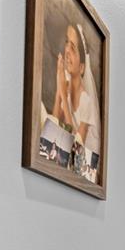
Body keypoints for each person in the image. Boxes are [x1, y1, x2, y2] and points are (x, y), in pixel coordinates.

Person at [51, 23, 100, 177]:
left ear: (82, 68)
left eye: (73, 48)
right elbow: (52, 126)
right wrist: (60, 90)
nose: (67, 51)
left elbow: (76, 151)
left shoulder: (87, 102)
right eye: (66, 43)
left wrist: (63, 96)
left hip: (83, 170)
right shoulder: (65, 86)